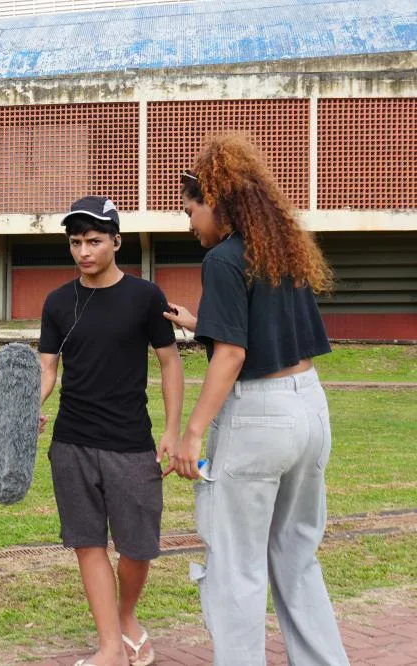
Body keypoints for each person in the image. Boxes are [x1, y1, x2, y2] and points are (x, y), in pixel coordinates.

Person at [163, 134, 349, 666]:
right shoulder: (281, 250)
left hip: (257, 420)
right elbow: (269, 333)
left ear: (214, 201)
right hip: (309, 408)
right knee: (295, 557)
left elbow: (232, 356)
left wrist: (193, 431)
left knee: (235, 565)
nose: (189, 221)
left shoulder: (222, 259)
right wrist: (202, 324)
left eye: (190, 209)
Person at [39, 196, 184, 666]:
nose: (84, 251)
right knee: (87, 544)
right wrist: (20, 415)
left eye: (94, 241)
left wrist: (173, 430)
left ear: (116, 242)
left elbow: (170, 364)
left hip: (131, 443)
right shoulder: (58, 302)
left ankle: (125, 617)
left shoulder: (146, 296)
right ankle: (109, 648)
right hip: (72, 443)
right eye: (76, 242)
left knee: (139, 546)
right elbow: (47, 374)